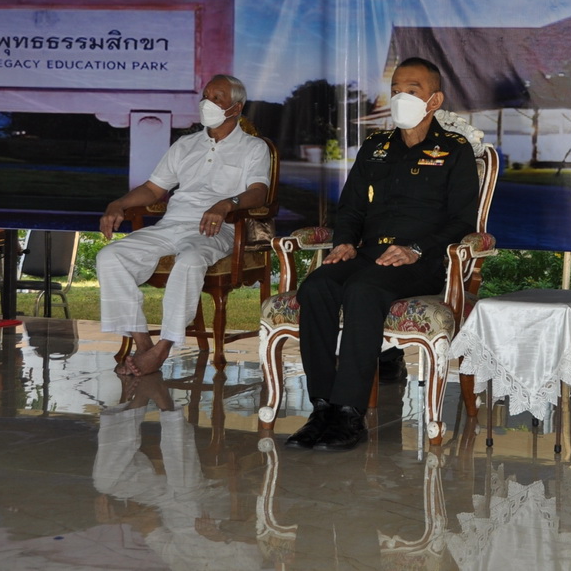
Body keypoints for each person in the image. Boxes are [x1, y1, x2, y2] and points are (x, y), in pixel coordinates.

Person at [287, 57, 479, 451]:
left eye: (412, 90)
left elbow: (462, 220)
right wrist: (344, 241)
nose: (400, 97)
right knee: (317, 287)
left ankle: (348, 412)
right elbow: (351, 206)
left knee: (364, 289)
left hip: (422, 261)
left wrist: (415, 249)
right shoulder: (375, 146)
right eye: (395, 90)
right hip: (369, 254)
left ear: (434, 100)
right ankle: (322, 407)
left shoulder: (454, 150)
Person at [97, 74, 270, 377]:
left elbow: (259, 192)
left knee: (190, 260)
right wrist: (118, 204)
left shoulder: (254, 147)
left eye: (217, 98)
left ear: (236, 107)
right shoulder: (185, 144)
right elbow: (153, 189)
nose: (207, 103)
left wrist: (227, 203)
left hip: (218, 228)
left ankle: (163, 348)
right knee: (109, 257)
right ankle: (142, 342)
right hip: (172, 224)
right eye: (205, 96)